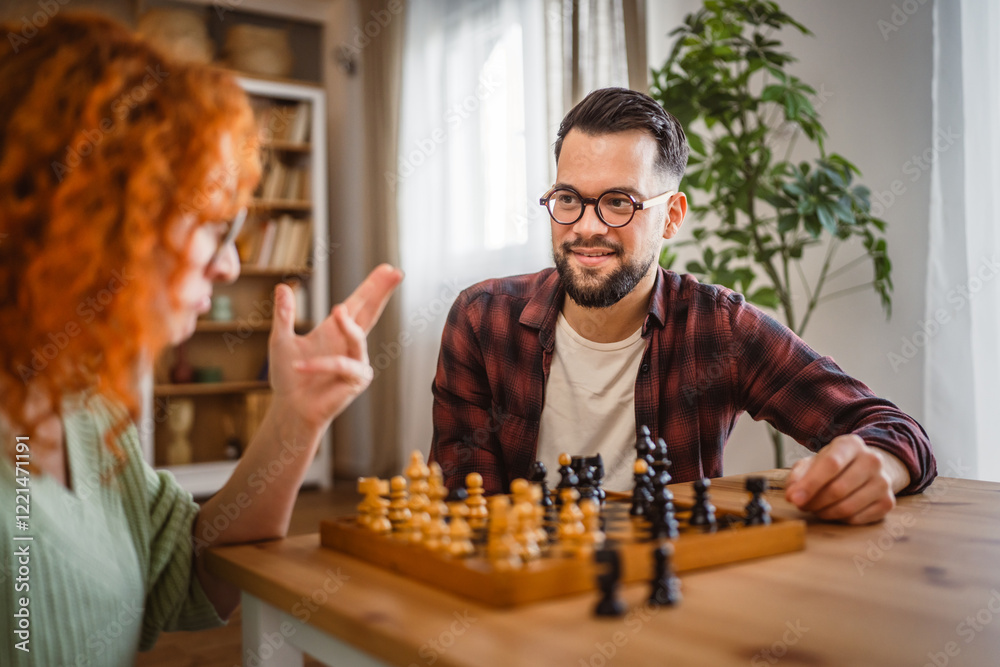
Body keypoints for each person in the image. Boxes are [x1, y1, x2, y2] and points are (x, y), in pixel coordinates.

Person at [0, 13, 402, 665]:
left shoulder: (82, 403)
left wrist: (295, 417)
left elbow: (193, 569)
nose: (230, 266)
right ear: (98, 213)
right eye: (215, 226)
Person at [430, 87, 936, 525]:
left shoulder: (720, 328)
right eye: (568, 198)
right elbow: (468, 507)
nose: (586, 226)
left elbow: (896, 430)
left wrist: (881, 466)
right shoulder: (481, 319)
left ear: (671, 216)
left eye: (618, 202)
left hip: (673, 599)